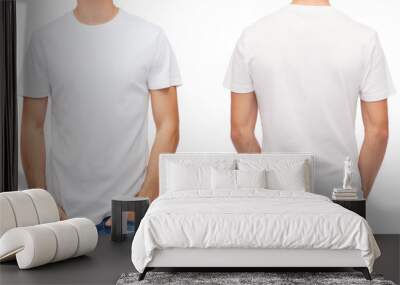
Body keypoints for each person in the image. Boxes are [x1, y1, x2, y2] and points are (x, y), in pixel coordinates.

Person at [21, 0, 181, 231]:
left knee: (130, 268)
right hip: (62, 219)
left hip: (128, 218)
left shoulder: (150, 37)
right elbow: (31, 126)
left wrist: (143, 200)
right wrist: (44, 205)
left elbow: (169, 125)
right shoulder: (44, 40)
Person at [225, 0, 395, 198]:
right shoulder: (364, 38)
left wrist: (267, 177)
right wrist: (357, 190)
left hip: (278, 192)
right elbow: (378, 132)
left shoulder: (252, 36)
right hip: (340, 193)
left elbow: (240, 132)